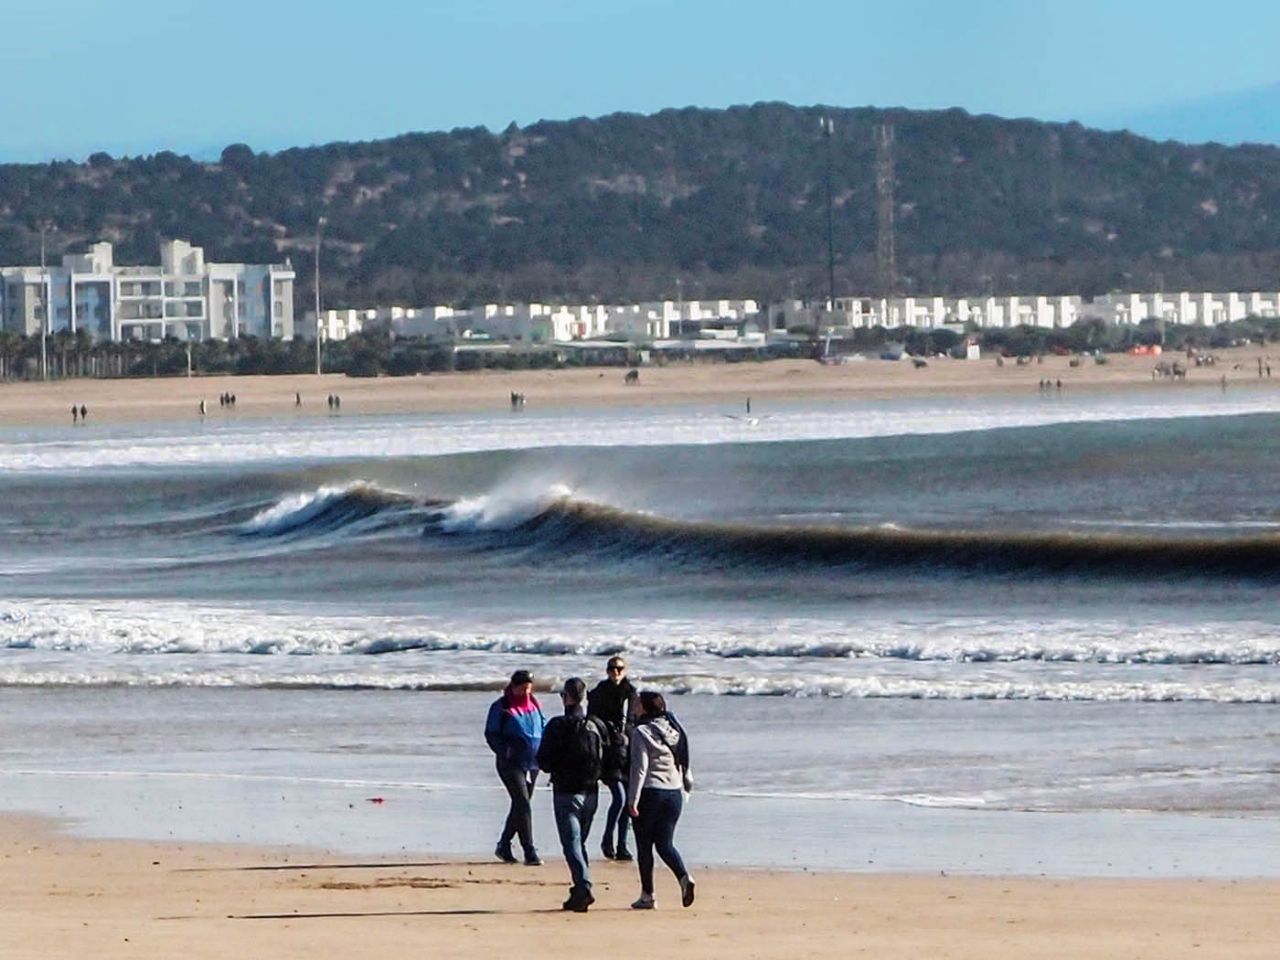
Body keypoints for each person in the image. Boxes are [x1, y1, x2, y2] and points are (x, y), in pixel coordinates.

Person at [537, 677, 608, 912]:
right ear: (585, 698)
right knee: (580, 843)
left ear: (566, 698)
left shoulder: (557, 726)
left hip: (566, 792)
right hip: (592, 792)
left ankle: (583, 885)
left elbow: (544, 761)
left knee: (572, 844)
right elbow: (608, 756)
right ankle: (578, 892)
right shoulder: (597, 724)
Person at [627, 690, 695, 910]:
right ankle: (684, 877)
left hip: (651, 792)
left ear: (645, 708)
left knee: (644, 846)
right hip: (673, 792)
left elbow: (640, 768)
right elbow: (683, 761)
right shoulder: (674, 728)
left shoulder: (642, 732)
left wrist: (632, 800)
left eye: (637, 704)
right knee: (665, 844)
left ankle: (648, 895)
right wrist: (686, 788)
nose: (634, 707)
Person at [484, 669, 546, 866]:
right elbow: (491, 734)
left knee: (521, 805)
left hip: (533, 763)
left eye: (529, 689)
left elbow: (542, 727)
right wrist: (506, 751)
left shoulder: (534, 704)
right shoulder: (501, 707)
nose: (526, 693)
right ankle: (529, 850)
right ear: (514, 686)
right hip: (511, 764)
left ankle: (504, 844)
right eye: (522, 689)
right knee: (523, 803)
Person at [587, 656, 637, 861]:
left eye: (619, 669)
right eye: (612, 669)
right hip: (609, 752)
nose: (615, 672)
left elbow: (635, 720)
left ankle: (622, 845)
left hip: (628, 751)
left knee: (627, 800)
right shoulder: (600, 691)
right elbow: (592, 718)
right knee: (619, 797)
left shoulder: (631, 693)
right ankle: (607, 839)